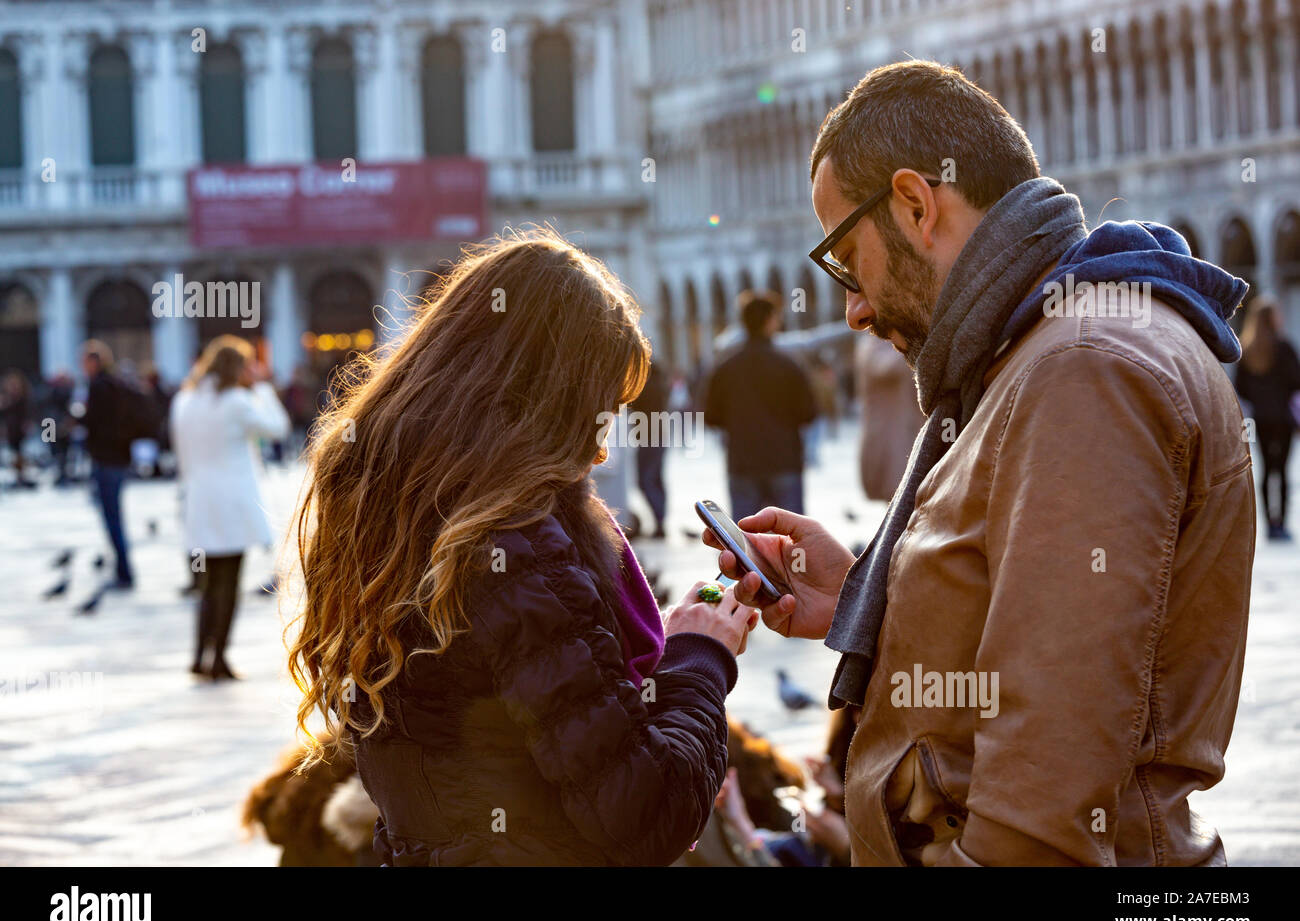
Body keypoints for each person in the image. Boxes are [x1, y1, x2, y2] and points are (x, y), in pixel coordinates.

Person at [708, 60, 1253, 866]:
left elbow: (1047, 778)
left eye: (846, 260)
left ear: (916, 205)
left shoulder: (1083, 370)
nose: (853, 309)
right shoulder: (1037, 353)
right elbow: (1026, 626)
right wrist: (866, 593)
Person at [288, 229, 758, 866]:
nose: (601, 443)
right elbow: (643, 812)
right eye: (598, 407)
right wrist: (702, 656)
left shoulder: (379, 503)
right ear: (552, 399)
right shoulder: (516, 545)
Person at [171, 336, 289, 680]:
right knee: (228, 582)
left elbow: (181, 453)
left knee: (206, 582)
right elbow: (278, 428)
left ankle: (198, 655)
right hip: (233, 503)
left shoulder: (184, 400)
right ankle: (219, 658)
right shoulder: (238, 401)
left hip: (199, 500)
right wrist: (264, 390)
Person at [704, 290, 816, 518]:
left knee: (747, 539)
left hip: (742, 462)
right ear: (769, 320)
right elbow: (808, 413)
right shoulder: (788, 366)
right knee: (790, 536)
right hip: (784, 459)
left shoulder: (726, 368)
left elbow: (711, 416)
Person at [1235, 296, 1300, 541]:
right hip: (1283, 419)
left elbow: (1240, 388)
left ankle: (1267, 525)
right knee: (1281, 471)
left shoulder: (1247, 349)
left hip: (1261, 419)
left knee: (1264, 471)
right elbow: (1296, 381)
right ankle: (1280, 524)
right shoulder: (1284, 347)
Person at [79, 341, 136, 589]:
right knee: (115, 515)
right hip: (118, 457)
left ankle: (124, 571)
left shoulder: (100, 387)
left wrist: (80, 419)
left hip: (106, 459)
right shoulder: (117, 385)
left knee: (112, 516)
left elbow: (96, 422)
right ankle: (122, 567)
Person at [854, 332, 925, 500]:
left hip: (906, 432)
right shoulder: (872, 346)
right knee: (898, 493)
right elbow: (884, 368)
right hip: (888, 437)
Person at [631, 360, 670, 537]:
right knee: (656, 480)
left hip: (648, 437)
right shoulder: (661, 385)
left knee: (645, 481)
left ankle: (660, 521)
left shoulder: (646, 387)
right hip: (659, 436)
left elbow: (632, 405)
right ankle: (661, 520)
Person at [0, 370, 35, 488]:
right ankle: (17, 476)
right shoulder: (7, 399)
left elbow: (28, 414)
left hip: (20, 430)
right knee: (13, 454)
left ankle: (21, 476)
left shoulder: (24, 399)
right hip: (11, 429)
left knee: (20, 453)